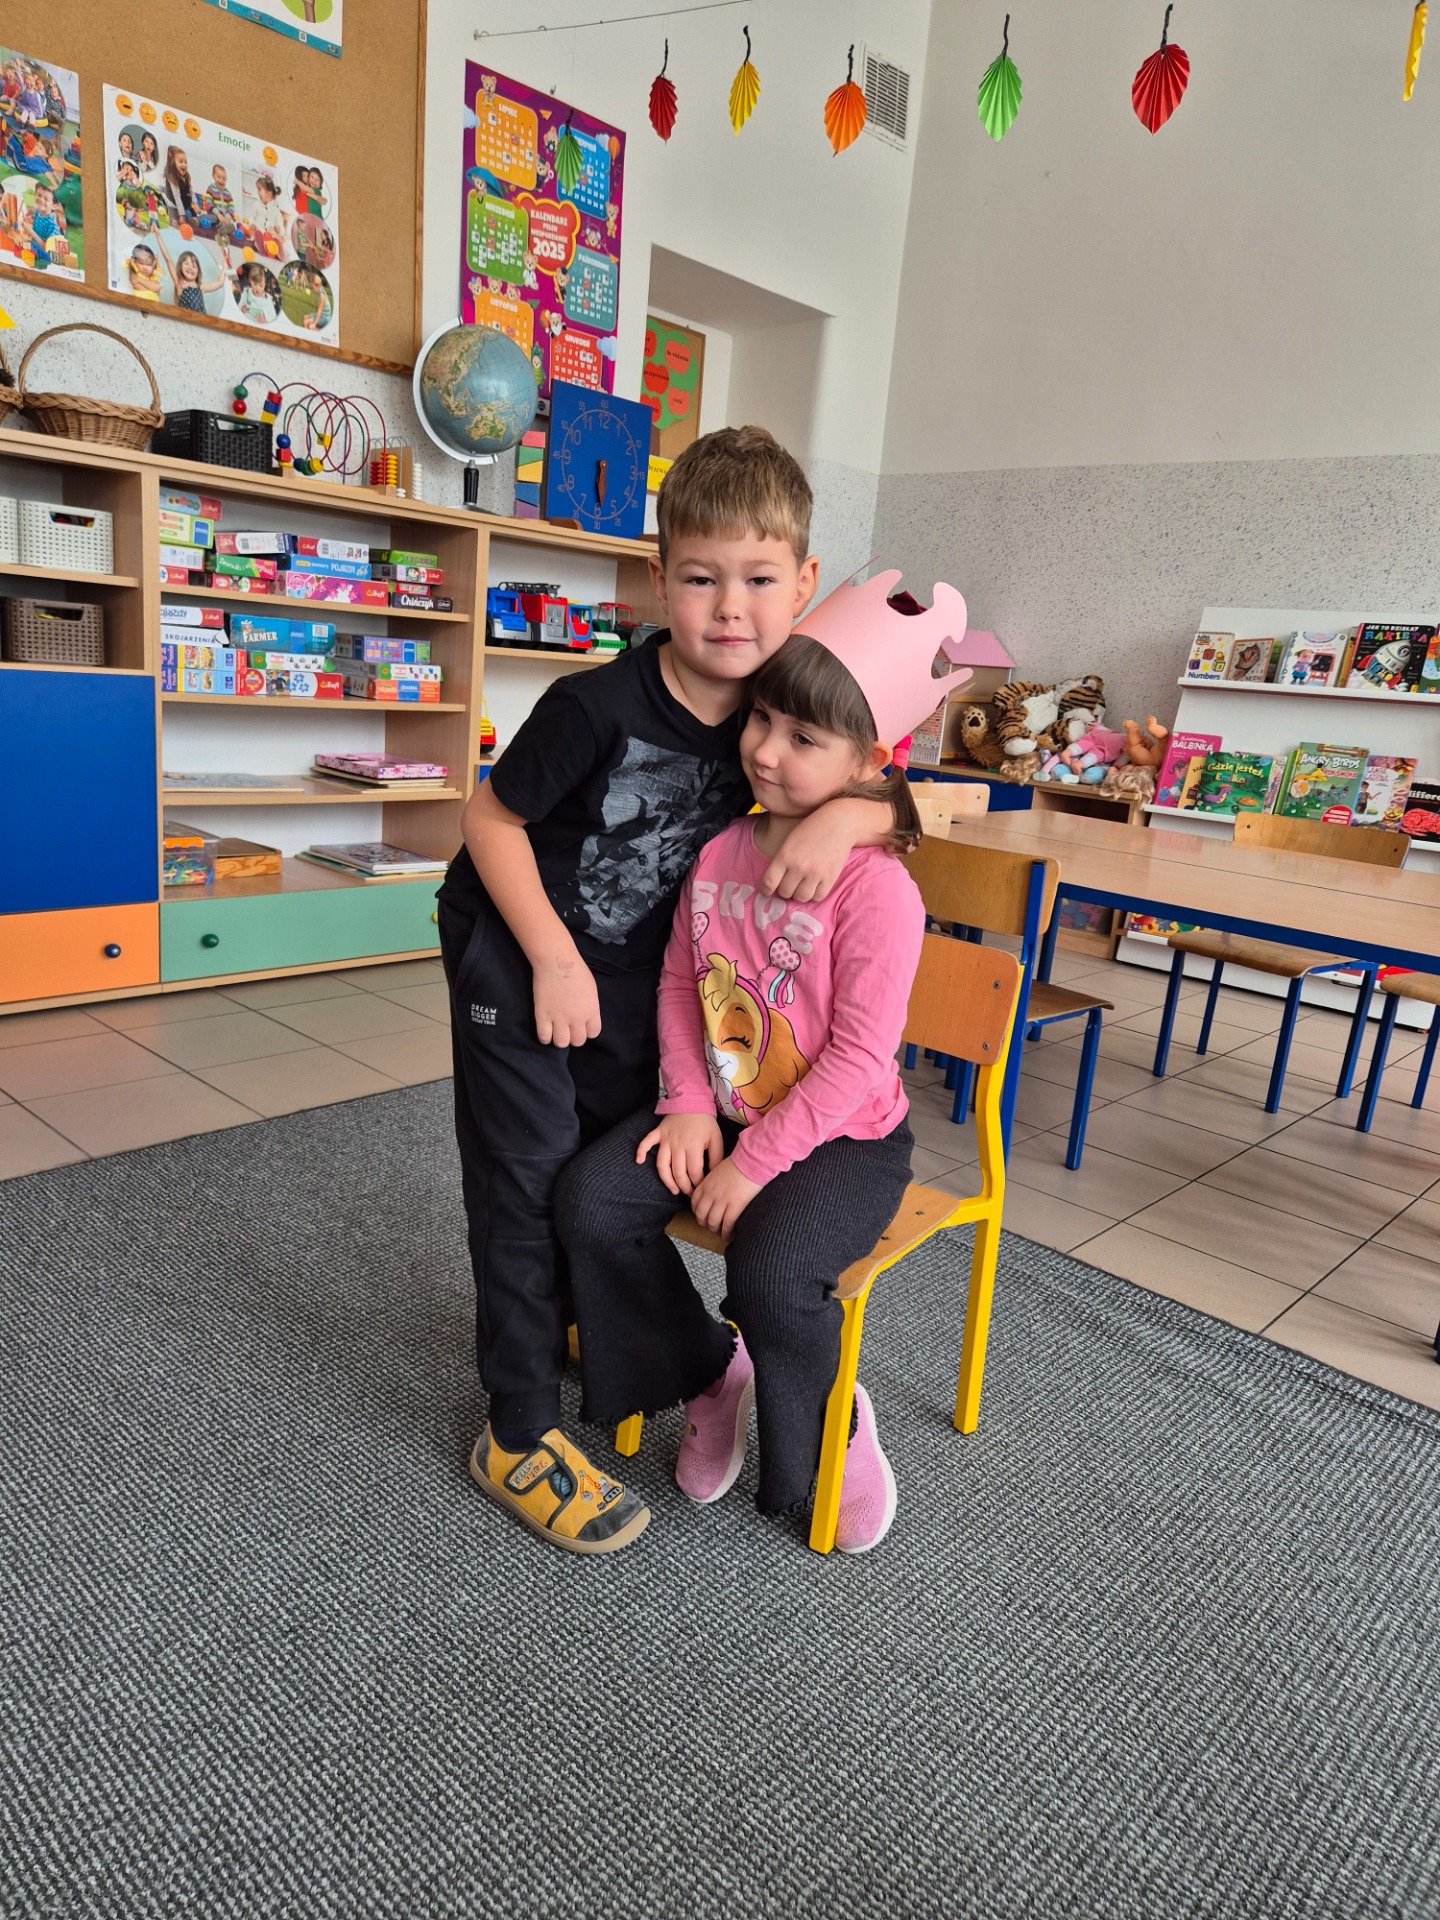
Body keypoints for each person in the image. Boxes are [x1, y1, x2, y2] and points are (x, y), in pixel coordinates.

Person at [437, 425, 892, 1555]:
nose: (730, 609)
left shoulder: (775, 710)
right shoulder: (593, 705)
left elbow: (891, 784)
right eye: (700, 579)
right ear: (659, 579)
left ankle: (648, 1348)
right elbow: (489, 819)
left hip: (645, 978)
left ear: (804, 583)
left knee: (599, 1169)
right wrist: (550, 958)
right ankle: (517, 1428)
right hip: (520, 948)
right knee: (525, 1184)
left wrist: (850, 815)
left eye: (758, 580)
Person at [555, 572, 972, 1553]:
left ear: (869, 762)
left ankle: (834, 1427)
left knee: (773, 1273)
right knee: (590, 1203)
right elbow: (678, 983)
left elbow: (859, 1058)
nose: (767, 751)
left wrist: (753, 1164)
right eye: (763, 721)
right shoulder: (721, 854)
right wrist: (688, 1104)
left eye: (804, 738)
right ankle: (709, 1373)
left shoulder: (878, 891)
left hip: (843, 1139)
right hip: (723, 1108)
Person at [161, 244, 224, 312]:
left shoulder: (201, 287)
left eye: (194, 266)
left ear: (198, 271)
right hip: (186, 317)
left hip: (201, 318)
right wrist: (158, 238)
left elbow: (219, 283)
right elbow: (168, 261)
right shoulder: (179, 284)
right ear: (180, 266)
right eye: (186, 264)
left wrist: (226, 262)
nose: (190, 268)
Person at [162, 145, 198, 226]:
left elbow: (191, 191)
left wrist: (195, 203)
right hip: (174, 206)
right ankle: (174, 220)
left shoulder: (187, 177)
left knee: (193, 214)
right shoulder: (172, 178)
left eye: (185, 162)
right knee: (175, 217)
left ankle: (191, 219)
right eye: (181, 162)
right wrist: (181, 215)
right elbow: (177, 197)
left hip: (185, 206)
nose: (184, 164)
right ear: (172, 163)